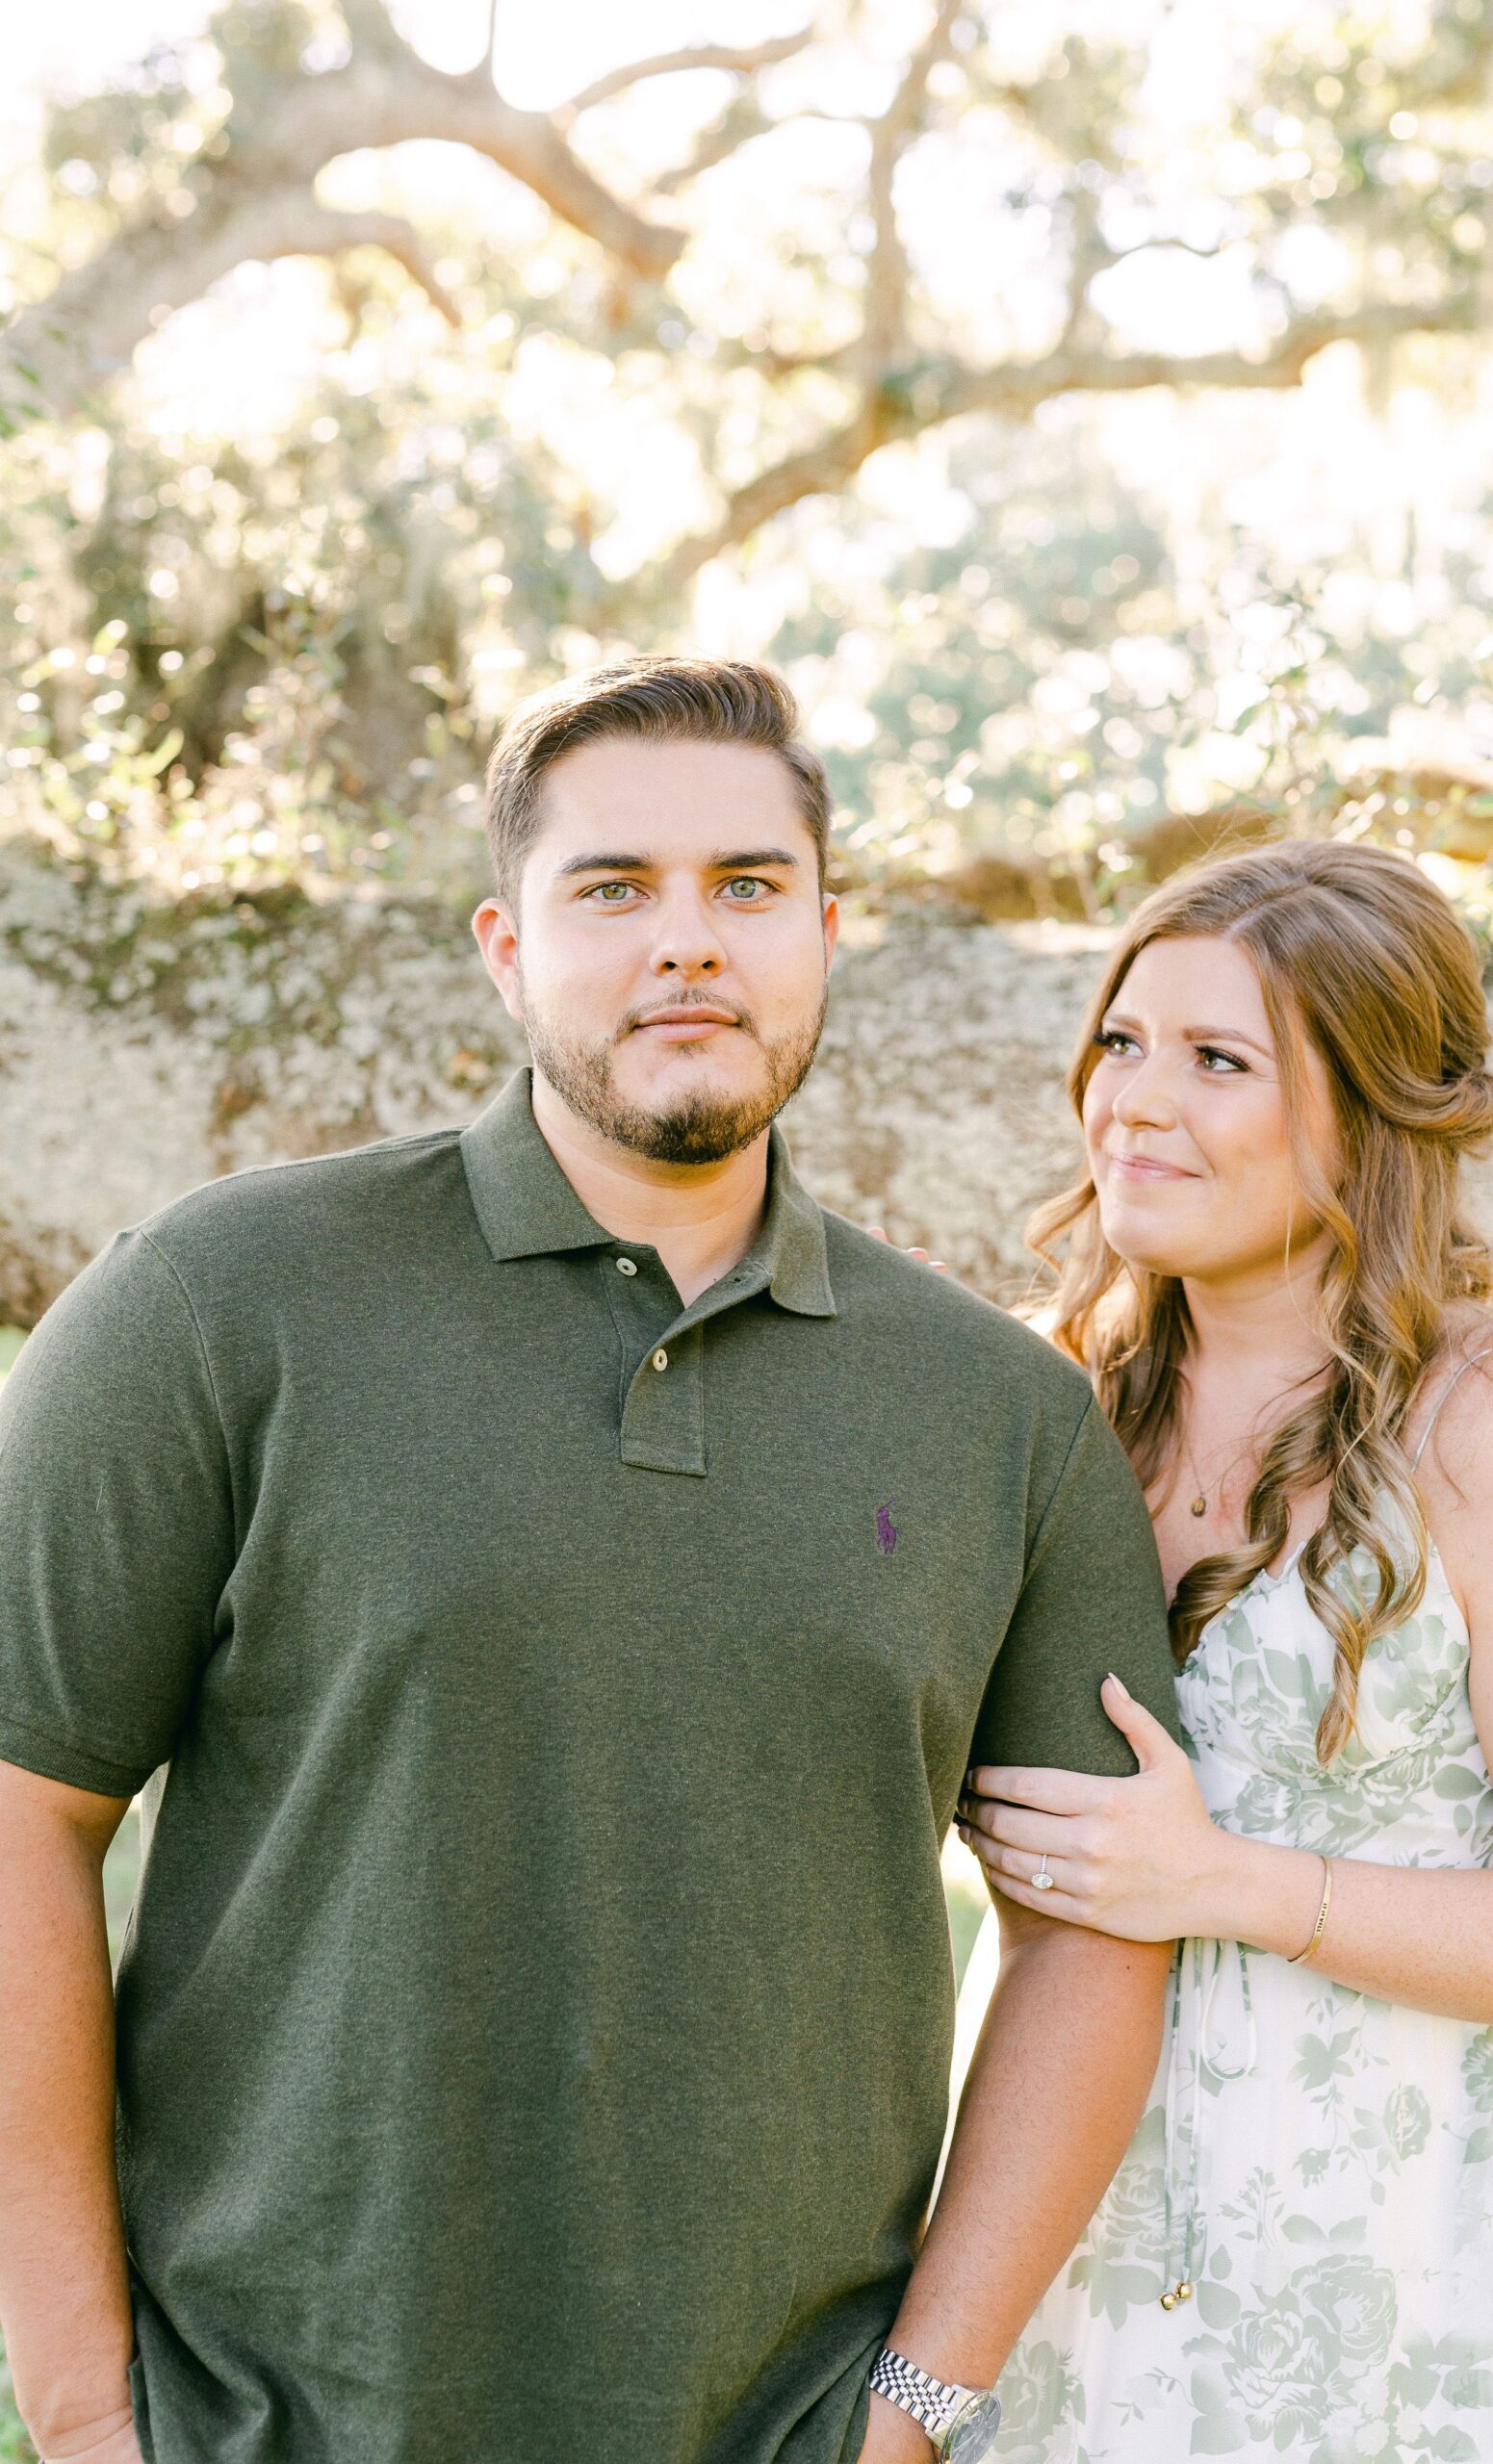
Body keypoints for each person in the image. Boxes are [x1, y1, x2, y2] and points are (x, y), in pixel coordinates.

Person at [0, 656, 1181, 2464]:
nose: (687, 944)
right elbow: (23, 1812)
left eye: (747, 888)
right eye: (613, 889)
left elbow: (1093, 1934)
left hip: (782, 2432)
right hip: (262, 2417)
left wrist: (914, 2411)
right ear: (504, 943)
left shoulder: (1001, 1416)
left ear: (829, 934)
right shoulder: (221, 1304)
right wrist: (87, 2412)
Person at [954, 839, 1493, 2464]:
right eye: (1121, 1042)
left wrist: (1233, 1884)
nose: (1133, 1099)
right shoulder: (1043, 1404)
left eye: (1216, 1060)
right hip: (1040, 2238)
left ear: (1374, 1111)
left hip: (1364, 2271)